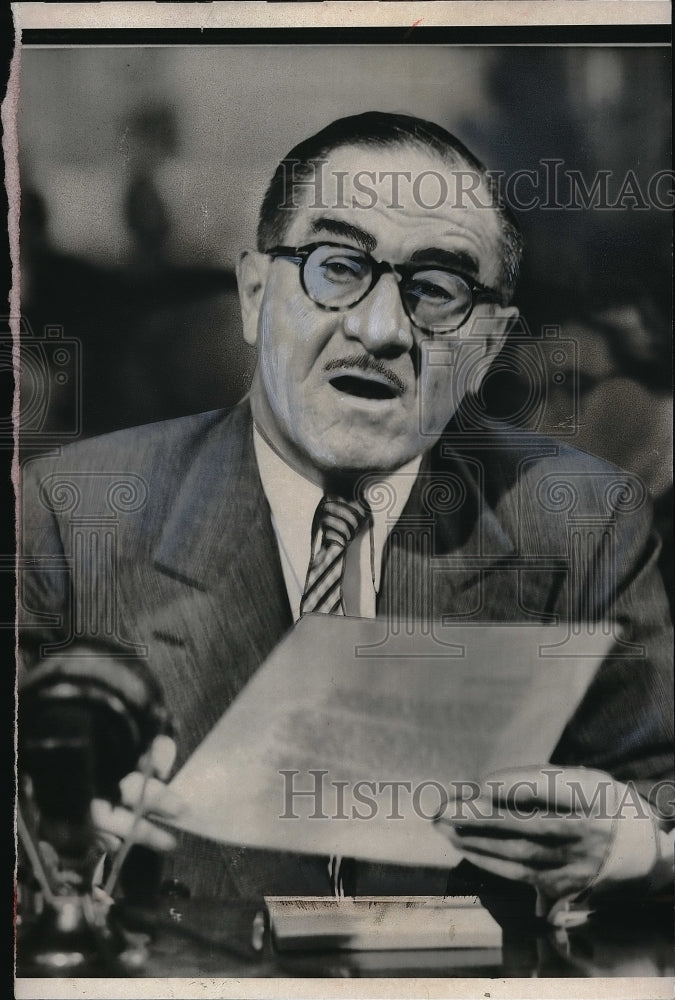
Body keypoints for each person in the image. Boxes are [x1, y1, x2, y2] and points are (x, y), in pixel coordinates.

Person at [18, 112, 673, 919]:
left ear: (488, 345)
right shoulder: (68, 510)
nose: (378, 329)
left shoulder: (580, 521)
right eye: (335, 268)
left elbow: (660, 789)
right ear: (255, 295)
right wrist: (51, 830)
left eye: (436, 289)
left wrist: (632, 845)